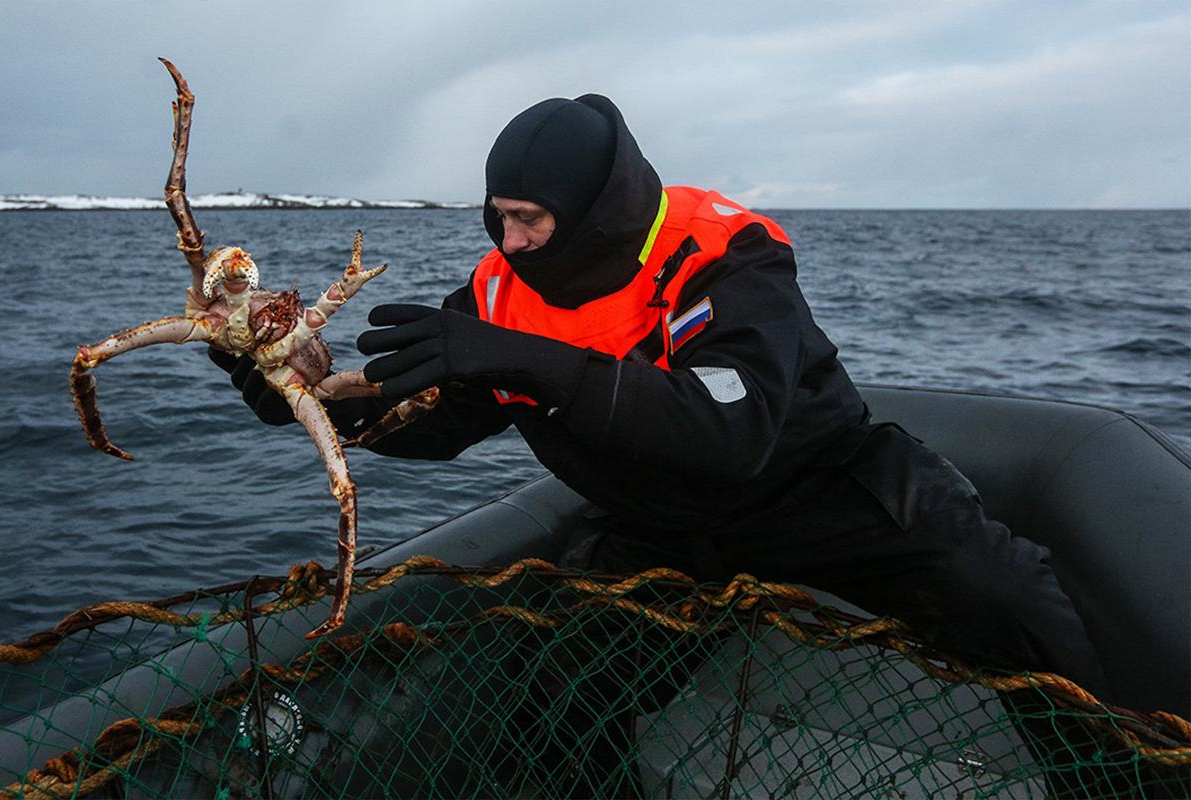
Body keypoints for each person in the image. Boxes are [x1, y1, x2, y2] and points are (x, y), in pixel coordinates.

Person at [211, 94, 1109, 794]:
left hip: (817, 489)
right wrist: (300, 400)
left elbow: (729, 428)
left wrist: (530, 358)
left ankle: (1108, 774)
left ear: (593, 207)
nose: (511, 240)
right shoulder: (499, 292)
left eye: (531, 218)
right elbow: (436, 422)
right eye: (498, 217)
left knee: (1001, 589)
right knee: (559, 687)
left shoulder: (726, 256)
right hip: (656, 522)